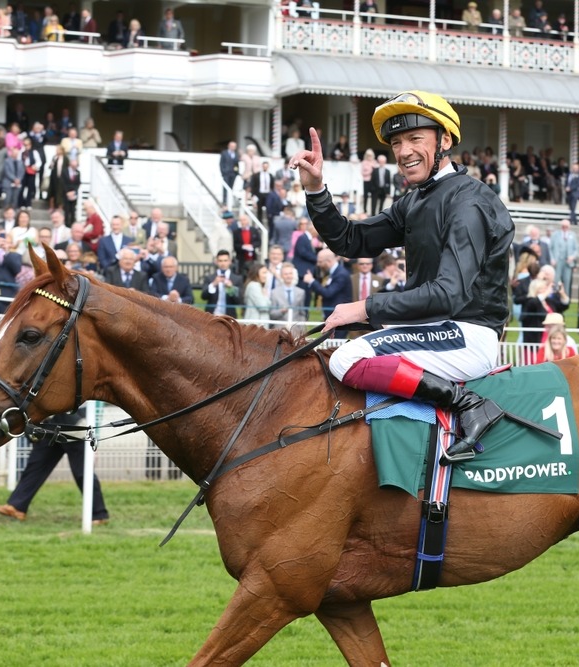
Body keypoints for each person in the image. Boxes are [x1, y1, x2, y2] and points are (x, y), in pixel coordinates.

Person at [288, 90, 514, 463]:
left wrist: (364, 308)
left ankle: (470, 404)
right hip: (438, 329)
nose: (404, 151)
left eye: (414, 138)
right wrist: (316, 189)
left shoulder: (469, 202)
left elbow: (447, 295)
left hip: (466, 335)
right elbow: (351, 238)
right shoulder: (416, 199)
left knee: (347, 359)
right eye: (396, 142)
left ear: (445, 140)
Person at [0, 410, 110, 524]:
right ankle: (16, 507)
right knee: (35, 468)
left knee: (82, 473)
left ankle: (99, 515)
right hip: (50, 430)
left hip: (73, 430)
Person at [202, 249, 243, 316]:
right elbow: (203, 296)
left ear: (230, 261)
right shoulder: (209, 278)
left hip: (229, 316)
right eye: (220, 261)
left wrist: (231, 288)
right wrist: (213, 284)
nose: (223, 263)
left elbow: (239, 301)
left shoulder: (237, 279)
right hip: (211, 316)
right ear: (216, 262)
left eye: (225, 260)